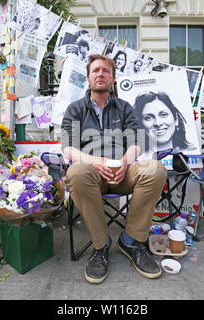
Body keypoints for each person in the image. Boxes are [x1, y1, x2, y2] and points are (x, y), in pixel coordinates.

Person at [61, 54, 167, 284]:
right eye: (96, 70)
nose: (101, 74)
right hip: (91, 174)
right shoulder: (75, 109)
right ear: (88, 78)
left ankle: (131, 240)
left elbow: (136, 142)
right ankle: (101, 246)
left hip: (122, 172)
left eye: (106, 71)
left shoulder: (124, 108)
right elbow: (68, 149)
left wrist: (125, 162)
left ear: (113, 78)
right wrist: (93, 161)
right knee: (75, 173)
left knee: (155, 169)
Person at [133, 91, 193, 158]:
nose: (158, 123)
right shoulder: (134, 158)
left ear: (176, 119)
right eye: (148, 117)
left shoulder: (192, 152)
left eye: (163, 115)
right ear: (140, 124)